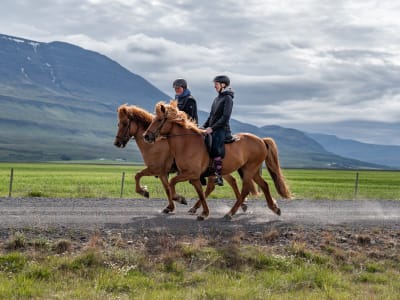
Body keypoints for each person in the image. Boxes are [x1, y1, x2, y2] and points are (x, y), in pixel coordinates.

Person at [201, 75, 234, 186]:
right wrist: (203, 127)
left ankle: (219, 175)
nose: (214, 86)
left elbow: (225, 117)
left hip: (222, 129)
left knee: (215, 147)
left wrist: (212, 128)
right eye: (215, 84)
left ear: (223, 85)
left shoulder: (228, 98)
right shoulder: (217, 99)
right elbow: (211, 116)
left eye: (216, 83)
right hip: (213, 128)